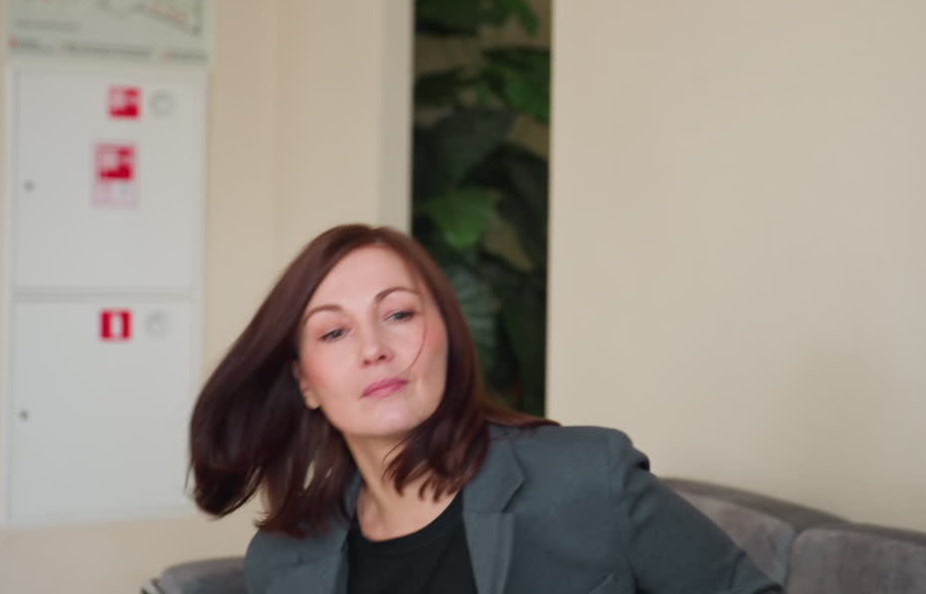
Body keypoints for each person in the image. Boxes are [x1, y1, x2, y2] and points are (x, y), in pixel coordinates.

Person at [189, 224, 780, 594]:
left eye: (398, 314)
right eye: (334, 333)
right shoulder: (282, 562)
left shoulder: (589, 477)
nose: (375, 349)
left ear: (447, 333)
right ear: (306, 383)